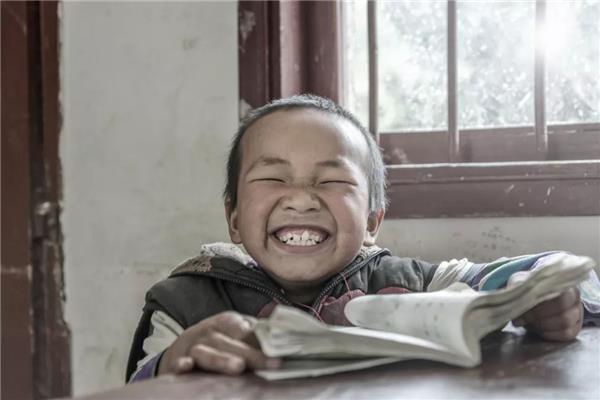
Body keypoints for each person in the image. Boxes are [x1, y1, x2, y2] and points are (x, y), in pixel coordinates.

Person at [126, 94, 599, 382]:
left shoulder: (412, 283)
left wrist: (548, 294)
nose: (302, 199)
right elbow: (139, 386)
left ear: (373, 221)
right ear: (233, 218)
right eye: (272, 178)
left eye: (332, 180)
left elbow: (543, 270)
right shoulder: (185, 303)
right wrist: (175, 360)